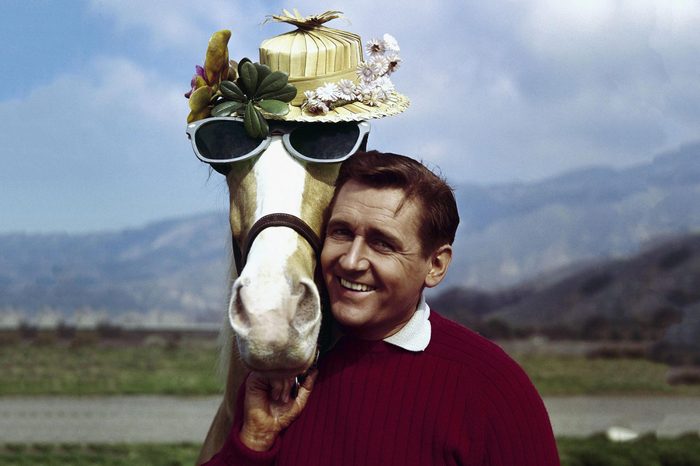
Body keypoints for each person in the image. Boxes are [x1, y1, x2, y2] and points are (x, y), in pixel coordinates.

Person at [203, 150, 561, 465]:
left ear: (435, 265)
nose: (352, 260)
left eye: (382, 243)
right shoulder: (280, 376)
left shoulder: (492, 387)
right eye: (341, 232)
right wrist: (252, 444)